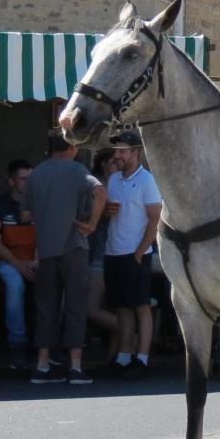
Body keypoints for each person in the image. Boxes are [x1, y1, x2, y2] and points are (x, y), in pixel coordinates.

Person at [25, 131, 106, 385]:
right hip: (74, 245)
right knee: (75, 305)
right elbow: (100, 191)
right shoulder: (77, 170)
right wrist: (92, 223)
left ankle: (42, 365)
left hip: (45, 247)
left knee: (46, 305)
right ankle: (75, 366)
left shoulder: (35, 173)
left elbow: (26, 215)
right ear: (71, 148)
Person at [104, 130, 162, 376]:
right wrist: (108, 210)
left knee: (141, 305)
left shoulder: (147, 180)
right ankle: (124, 355)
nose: (117, 155)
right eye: (115, 151)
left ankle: (143, 356)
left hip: (135, 251)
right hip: (114, 249)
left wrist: (140, 251)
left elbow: (155, 218)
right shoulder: (114, 179)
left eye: (122, 151)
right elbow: (112, 210)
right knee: (121, 306)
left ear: (136, 153)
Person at [0, 159, 35, 369]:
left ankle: (48, 345)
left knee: (54, 280)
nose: (29, 183)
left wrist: (35, 261)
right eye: (24, 179)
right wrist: (18, 264)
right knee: (15, 284)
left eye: (32, 179)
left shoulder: (40, 202)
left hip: (36, 260)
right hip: (8, 261)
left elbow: (46, 238)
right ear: (11, 181)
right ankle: (17, 344)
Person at [86, 149, 120, 352]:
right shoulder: (95, 187)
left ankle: (121, 352)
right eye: (113, 162)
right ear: (103, 165)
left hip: (119, 254)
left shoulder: (126, 184)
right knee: (90, 309)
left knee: (117, 308)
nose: (118, 165)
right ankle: (133, 336)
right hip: (96, 255)